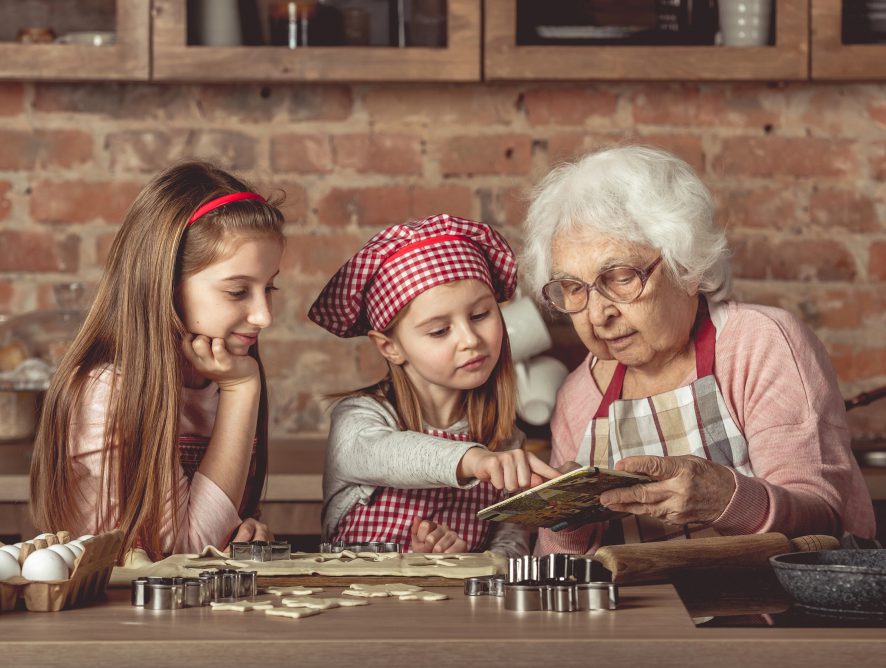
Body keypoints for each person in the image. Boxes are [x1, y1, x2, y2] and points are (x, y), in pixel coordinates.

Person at [520, 145, 876, 554]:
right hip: (640, 617)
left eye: (619, 278)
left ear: (686, 267)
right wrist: (565, 518)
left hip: (772, 613)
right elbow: (558, 567)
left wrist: (725, 499)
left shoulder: (759, 344)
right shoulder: (577, 398)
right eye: (573, 289)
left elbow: (824, 520)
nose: (599, 314)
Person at [30, 161, 286, 560]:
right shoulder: (107, 393)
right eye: (238, 292)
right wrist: (242, 391)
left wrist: (243, 532)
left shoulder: (215, 376)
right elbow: (178, 553)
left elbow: (214, 533)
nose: (264, 316)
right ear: (165, 284)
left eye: (268, 288)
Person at [308, 214, 559, 556]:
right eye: (440, 331)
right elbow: (386, 453)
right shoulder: (358, 419)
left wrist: (462, 561)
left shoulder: (504, 439)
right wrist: (475, 461)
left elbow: (509, 546)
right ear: (390, 347)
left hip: (455, 607)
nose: (470, 340)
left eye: (480, 315)